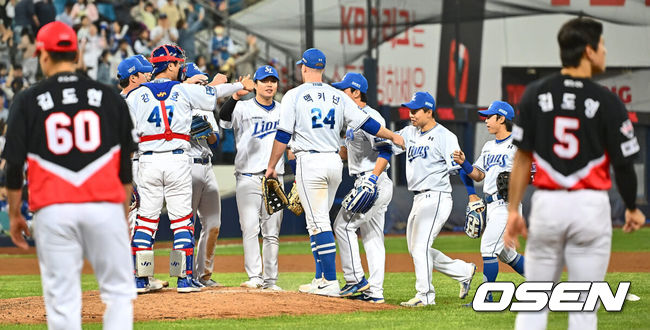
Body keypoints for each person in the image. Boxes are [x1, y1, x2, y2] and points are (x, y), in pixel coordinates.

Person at [504, 17, 645, 330]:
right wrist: (632, 208)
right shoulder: (608, 101)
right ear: (589, 52)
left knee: (533, 305)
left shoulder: (533, 94)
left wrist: (514, 209)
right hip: (589, 207)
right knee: (583, 311)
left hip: (547, 205)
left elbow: (522, 159)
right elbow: (623, 165)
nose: (605, 51)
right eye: (603, 45)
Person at [5, 21, 136, 329]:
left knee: (62, 302)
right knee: (118, 293)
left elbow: (13, 166)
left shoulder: (27, 100)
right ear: (77, 55)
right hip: (104, 206)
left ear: (43, 55)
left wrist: (14, 214)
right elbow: (125, 168)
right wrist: (121, 213)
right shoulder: (110, 97)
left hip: (53, 209)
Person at [264, 48, 405, 297]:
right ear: (322, 68)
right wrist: (392, 134)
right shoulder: (337, 96)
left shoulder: (294, 95)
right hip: (334, 163)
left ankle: (329, 281)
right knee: (319, 222)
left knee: (318, 223)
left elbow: (283, 134)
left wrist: (272, 165)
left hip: (311, 162)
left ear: (304, 68)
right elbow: (367, 123)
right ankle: (321, 278)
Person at [125, 44, 253, 293]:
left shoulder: (135, 95)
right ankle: (183, 278)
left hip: (147, 161)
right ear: (170, 65)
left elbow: (124, 134)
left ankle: (141, 278)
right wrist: (240, 86)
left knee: (146, 223)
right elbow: (214, 92)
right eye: (178, 63)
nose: (181, 67)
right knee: (182, 222)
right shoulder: (182, 90)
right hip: (177, 160)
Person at [393, 91, 476, 307]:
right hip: (418, 198)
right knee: (416, 250)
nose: (410, 114)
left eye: (415, 110)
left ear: (429, 111)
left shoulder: (445, 136)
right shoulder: (410, 132)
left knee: (420, 247)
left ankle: (425, 296)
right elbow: (391, 142)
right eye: (409, 110)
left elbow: (458, 168)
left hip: (437, 196)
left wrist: (472, 194)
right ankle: (463, 271)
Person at [452, 100, 526, 304]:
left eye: (489, 117)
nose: (485, 120)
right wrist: (464, 163)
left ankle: (486, 297)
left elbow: (532, 171)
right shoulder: (488, 146)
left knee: (487, 248)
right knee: (506, 254)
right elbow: (478, 175)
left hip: (506, 205)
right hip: (491, 206)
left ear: (501, 119)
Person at [219, 65, 285, 290]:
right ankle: (255, 277)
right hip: (247, 176)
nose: (269, 85)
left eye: (273, 81)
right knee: (249, 228)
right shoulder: (243, 107)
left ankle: (271, 280)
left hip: (275, 179)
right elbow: (224, 119)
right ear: (255, 84)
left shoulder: (283, 110)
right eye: (264, 81)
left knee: (272, 233)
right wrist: (236, 95)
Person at [331, 73, 392, 303]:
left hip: (373, 181)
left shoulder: (370, 117)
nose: (339, 93)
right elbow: (347, 153)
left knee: (342, 226)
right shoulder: (351, 118)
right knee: (373, 238)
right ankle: (375, 293)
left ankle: (355, 279)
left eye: (343, 89)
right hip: (370, 180)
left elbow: (386, 150)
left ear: (356, 92)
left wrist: (372, 180)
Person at [116, 54, 169, 293]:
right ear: (133, 77)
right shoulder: (123, 103)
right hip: (130, 166)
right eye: (145, 72)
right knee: (133, 223)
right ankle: (133, 277)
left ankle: (142, 276)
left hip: (139, 164)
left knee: (143, 222)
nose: (150, 75)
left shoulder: (138, 99)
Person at [182, 62, 225, 287]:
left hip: (207, 165)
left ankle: (203, 275)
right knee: (183, 224)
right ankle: (182, 273)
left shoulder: (206, 107)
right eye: (197, 79)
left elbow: (215, 141)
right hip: (185, 165)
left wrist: (207, 132)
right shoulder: (176, 103)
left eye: (203, 80)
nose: (202, 83)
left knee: (213, 222)